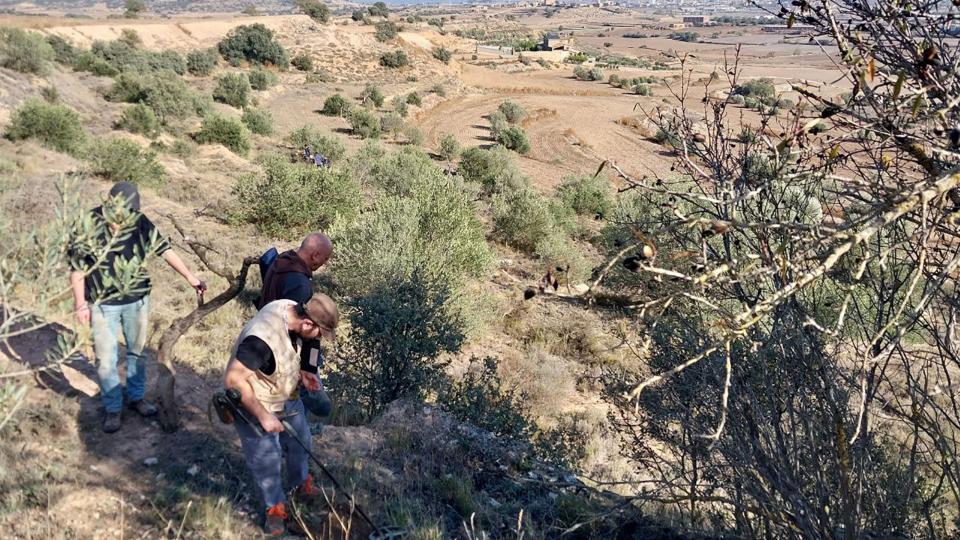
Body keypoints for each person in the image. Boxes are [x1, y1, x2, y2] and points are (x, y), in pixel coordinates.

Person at [69, 181, 207, 434]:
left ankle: (136, 398)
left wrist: (191, 277)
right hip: (101, 304)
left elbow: (164, 250)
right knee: (106, 360)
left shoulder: (139, 220)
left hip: (137, 301)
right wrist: (80, 305)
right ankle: (113, 408)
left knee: (137, 353)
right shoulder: (87, 224)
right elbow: (77, 268)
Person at [224, 294, 339, 536]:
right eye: (320, 331)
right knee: (267, 459)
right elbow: (233, 380)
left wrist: (308, 371)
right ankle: (274, 509)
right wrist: (264, 416)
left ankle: (300, 486)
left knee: (302, 443)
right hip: (254, 401)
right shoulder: (261, 340)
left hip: (286, 394)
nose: (320, 338)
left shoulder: (296, 313)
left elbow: (312, 345)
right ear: (307, 323)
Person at [259, 233, 334, 422]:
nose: (324, 263)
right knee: (310, 403)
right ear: (315, 255)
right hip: (287, 353)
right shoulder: (299, 283)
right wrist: (308, 366)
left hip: (270, 343)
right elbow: (303, 328)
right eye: (325, 258)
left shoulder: (282, 261)